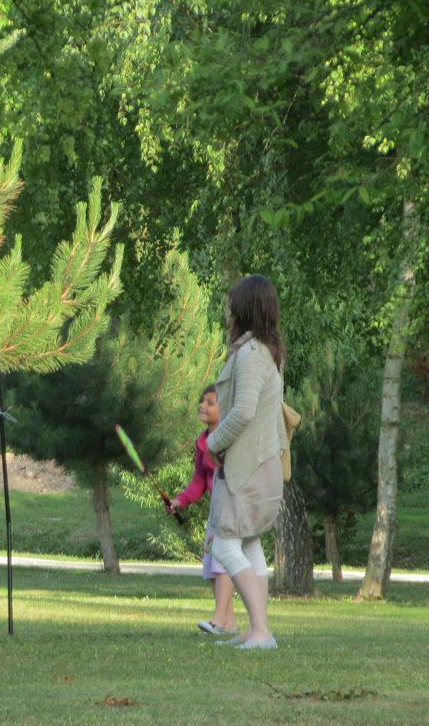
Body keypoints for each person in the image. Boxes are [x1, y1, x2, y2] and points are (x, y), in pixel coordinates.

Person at [206, 275, 286, 651]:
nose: (229, 310)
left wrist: (213, 443)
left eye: (233, 304)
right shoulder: (268, 350)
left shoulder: (252, 353)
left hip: (249, 465)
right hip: (263, 461)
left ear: (245, 308)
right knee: (249, 542)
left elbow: (242, 412)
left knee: (225, 545)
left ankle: (261, 632)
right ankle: (256, 629)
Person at [168, 384, 237, 635]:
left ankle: (217, 621)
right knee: (211, 568)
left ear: (224, 408)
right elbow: (198, 480)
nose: (202, 405)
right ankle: (229, 623)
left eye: (210, 402)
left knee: (222, 563)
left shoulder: (231, 440)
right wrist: (179, 500)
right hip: (214, 513)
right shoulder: (202, 442)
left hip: (231, 511)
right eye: (202, 401)